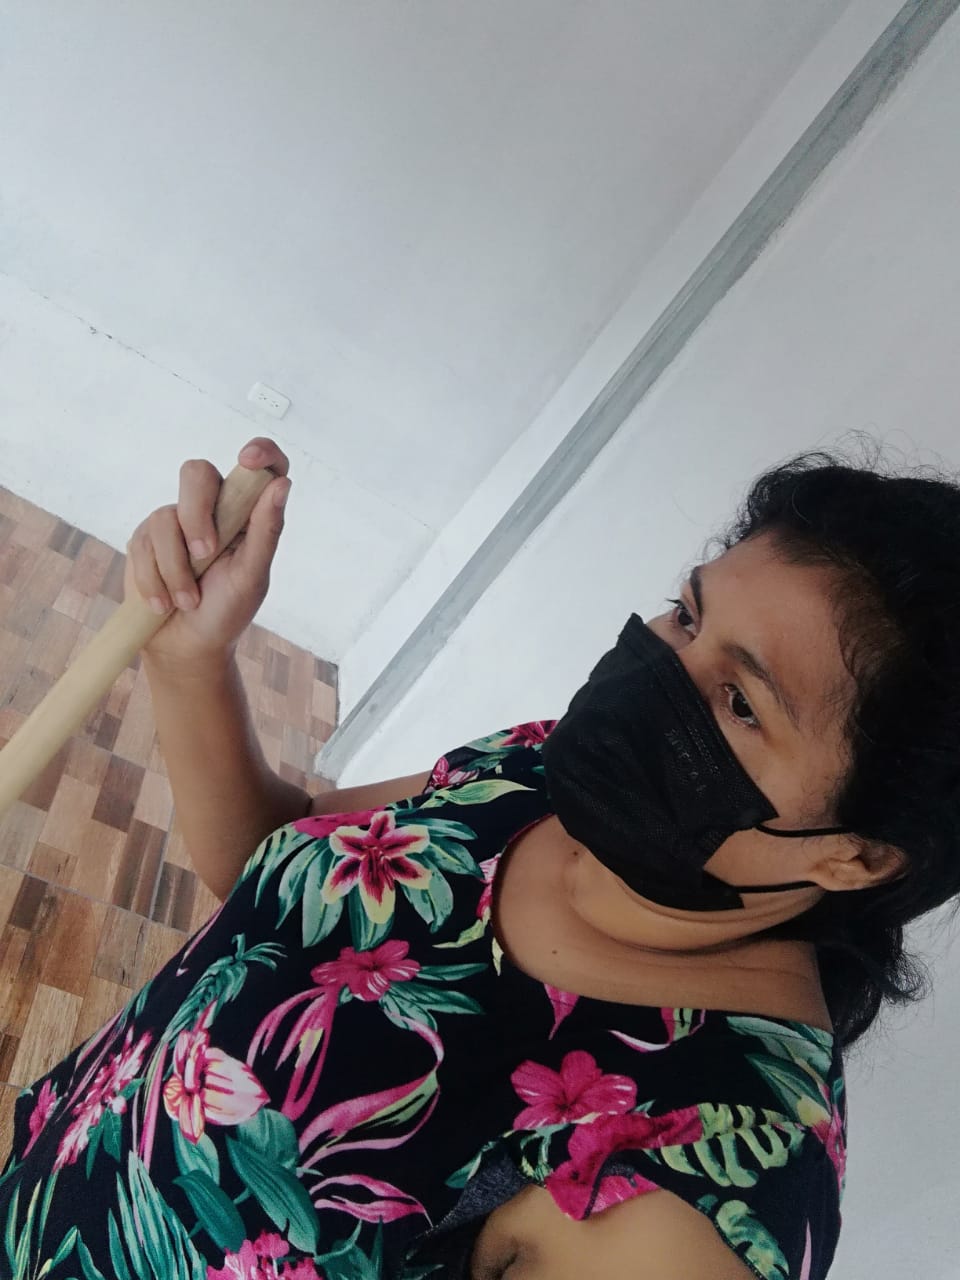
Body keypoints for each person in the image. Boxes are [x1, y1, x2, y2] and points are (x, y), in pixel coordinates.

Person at [1, 435, 957, 1280]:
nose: (658, 678)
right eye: (687, 615)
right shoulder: (537, 774)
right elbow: (274, 867)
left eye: (741, 703)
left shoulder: (695, 1187)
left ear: (860, 859)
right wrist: (190, 655)